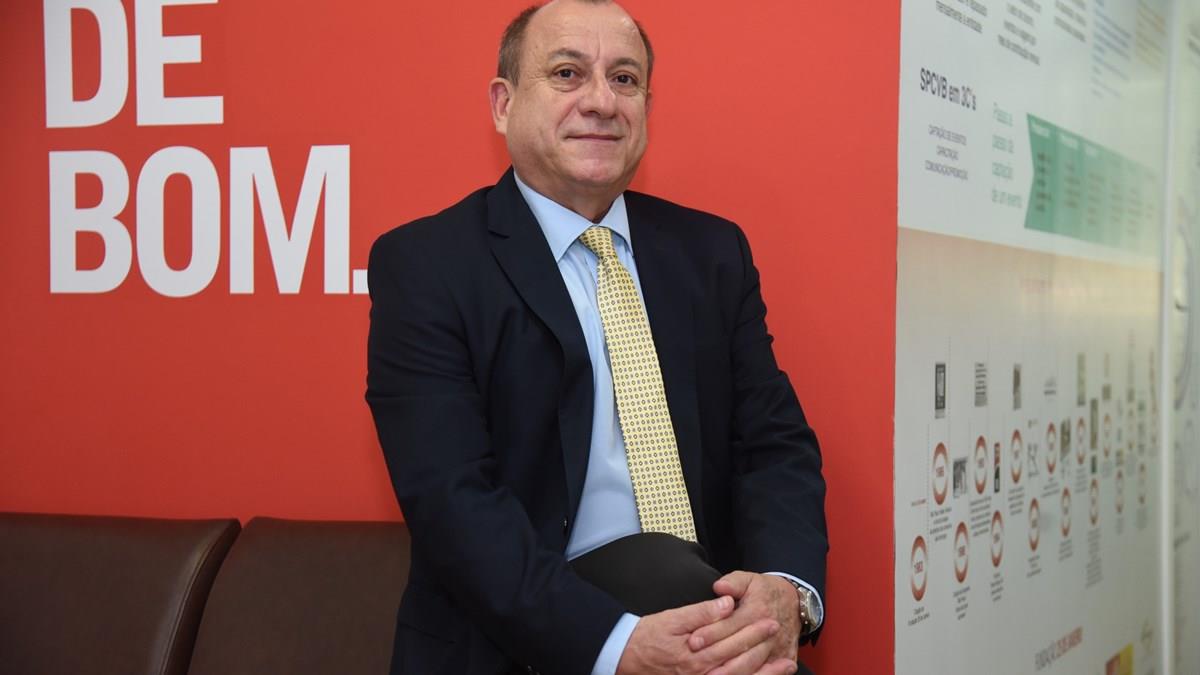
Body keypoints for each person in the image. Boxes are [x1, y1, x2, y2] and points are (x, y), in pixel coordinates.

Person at [365, 1, 828, 673]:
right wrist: (618, 647)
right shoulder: (428, 266)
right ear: (503, 104)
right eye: (567, 73)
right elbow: (453, 504)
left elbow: (773, 446)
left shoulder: (711, 254)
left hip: (706, 625)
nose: (601, 102)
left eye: (624, 79)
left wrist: (785, 590)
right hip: (522, 646)